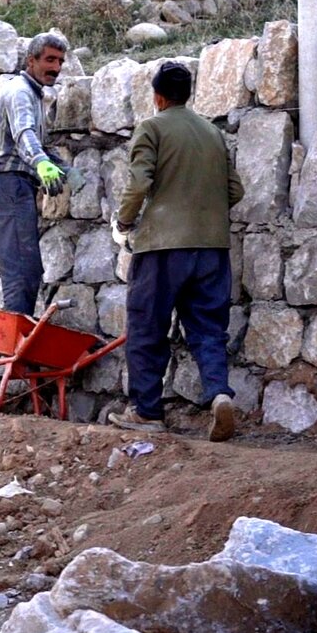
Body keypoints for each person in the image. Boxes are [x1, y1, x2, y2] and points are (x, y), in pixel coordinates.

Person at [109, 62, 244, 441]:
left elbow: (138, 184)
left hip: (162, 248)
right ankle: (218, 394)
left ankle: (147, 411)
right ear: (189, 94)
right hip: (213, 247)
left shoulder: (151, 128)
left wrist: (123, 224)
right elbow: (236, 191)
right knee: (208, 329)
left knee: (147, 327)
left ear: (158, 97)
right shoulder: (211, 132)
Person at [0, 32, 71, 316]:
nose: (56, 68)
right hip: (8, 186)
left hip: (17, 187)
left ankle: (17, 339)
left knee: (28, 269)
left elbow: (39, 142)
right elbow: (24, 134)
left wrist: (63, 168)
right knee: (21, 270)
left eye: (60, 61)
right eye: (49, 60)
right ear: (30, 60)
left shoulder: (34, 95)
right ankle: (14, 347)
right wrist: (42, 164)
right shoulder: (20, 92)